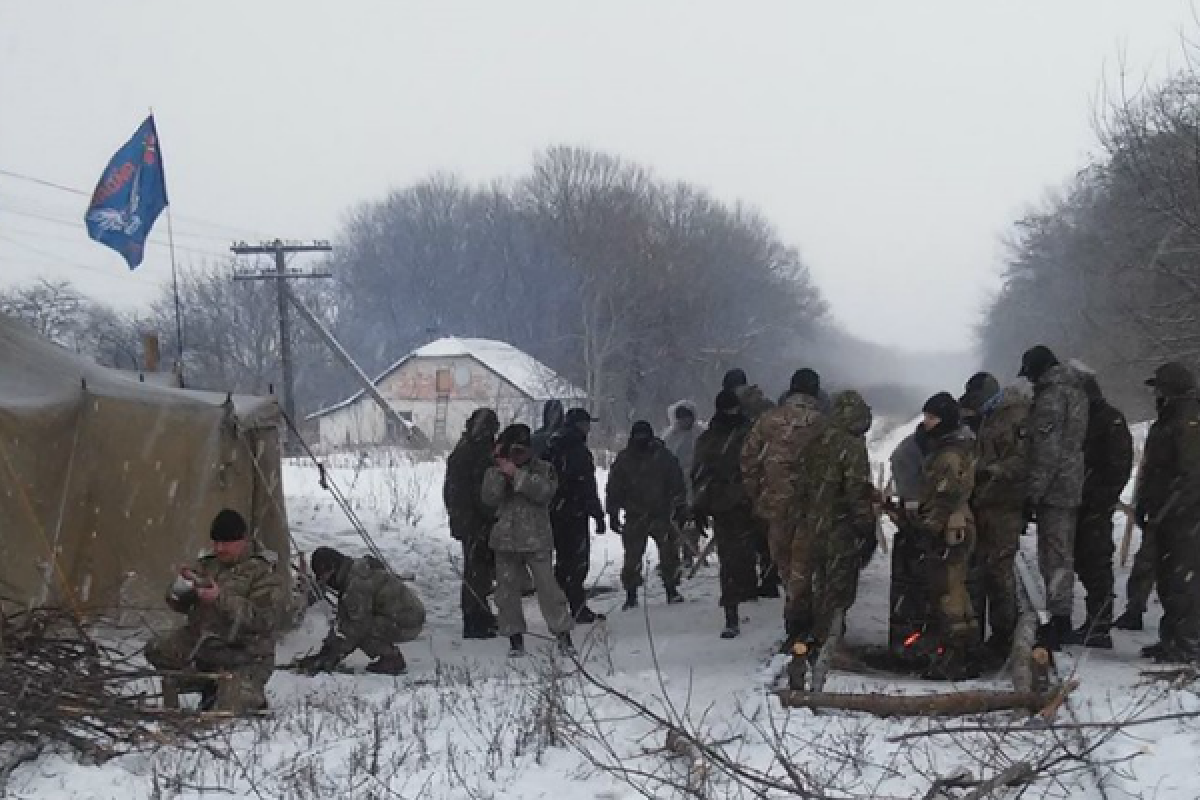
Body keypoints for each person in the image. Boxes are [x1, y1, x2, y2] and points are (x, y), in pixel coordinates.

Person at [146, 509, 284, 712]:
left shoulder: (263, 574)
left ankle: (246, 693)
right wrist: (182, 588)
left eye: (225, 543)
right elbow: (178, 604)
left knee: (228, 705)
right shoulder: (208, 565)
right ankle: (203, 687)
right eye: (216, 542)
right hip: (205, 647)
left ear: (243, 540)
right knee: (158, 649)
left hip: (244, 654)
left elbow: (263, 620)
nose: (219, 549)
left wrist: (221, 599)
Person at [741, 367, 825, 645]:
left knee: (785, 564)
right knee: (808, 564)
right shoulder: (824, 423)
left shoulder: (768, 420)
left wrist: (758, 496)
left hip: (776, 505)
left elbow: (749, 460)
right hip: (814, 507)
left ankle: (795, 621)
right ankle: (807, 620)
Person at [792, 390, 876, 648]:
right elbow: (856, 491)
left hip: (813, 525)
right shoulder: (851, 447)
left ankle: (811, 633)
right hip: (841, 527)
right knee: (839, 588)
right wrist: (865, 525)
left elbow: (800, 486)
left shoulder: (814, 442)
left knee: (819, 581)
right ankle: (828, 641)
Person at [483, 423, 575, 656]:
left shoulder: (544, 469)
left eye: (523, 450)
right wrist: (502, 472)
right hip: (505, 541)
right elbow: (489, 498)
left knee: (549, 591)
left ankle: (563, 635)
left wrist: (518, 475)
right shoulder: (495, 470)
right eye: (514, 450)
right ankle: (514, 639)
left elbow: (544, 493)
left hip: (536, 540)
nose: (519, 455)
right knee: (506, 594)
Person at [1020, 345, 1089, 650]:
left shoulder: (1051, 397)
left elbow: (1046, 452)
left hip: (1054, 487)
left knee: (1055, 557)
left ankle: (1059, 623)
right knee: (1061, 554)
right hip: (1070, 481)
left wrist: (1032, 493)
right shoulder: (1077, 391)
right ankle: (1060, 618)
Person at [960, 372, 1029, 658]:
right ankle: (975, 634)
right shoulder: (987, 418)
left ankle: (1004, 636)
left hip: (1004, 505)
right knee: (977, 570)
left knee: (999, 573)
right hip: (983, 503)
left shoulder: (1016, 417)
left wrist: (993, 471)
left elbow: (1024, 460)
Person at [912, 393, 980, 679]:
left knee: (948, 592)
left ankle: (954, 659)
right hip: (954, 524)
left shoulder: (949, 455)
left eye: (931, 418)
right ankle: (963, 653)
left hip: (950, 528)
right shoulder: (952, 448)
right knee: (956, 590)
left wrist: (929, 526)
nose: (926, 423)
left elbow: (947, 495)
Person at [1138, 362, 1200, 663]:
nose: (1156, 393)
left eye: (1160, 387)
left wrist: (1170, 508)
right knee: (1166, 577)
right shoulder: (1166, 420)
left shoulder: (1189, 420)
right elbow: (1153, 469)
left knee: (1183, 580)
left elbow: (1190, 473)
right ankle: (1171, 638)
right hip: (1165, 512)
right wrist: (1143, 504)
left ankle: (1189, 642)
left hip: (1186, 517)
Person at [1069, 374, 1133, 648]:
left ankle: (1100, 623)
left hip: (1095, 502)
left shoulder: (1109, 420)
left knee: (1096, 562)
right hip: (1082, 500)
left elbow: (1120, 464)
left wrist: (1103, 497)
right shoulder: (1085, 420)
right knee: (1084, 561)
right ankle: (1097, 621)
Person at [692, 389, 760, 638]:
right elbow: (699, 474)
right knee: (733, 560)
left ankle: (740, 600)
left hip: (739, 503)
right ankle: (732, 612)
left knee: (739, 559)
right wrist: (698, 505)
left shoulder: (715, 437)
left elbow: (698, 474)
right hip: (738, 503)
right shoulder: (745, 434)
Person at [301, 547, 426, 675]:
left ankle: (391, 658)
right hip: (403, 614)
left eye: (323, 576)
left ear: (332, 568)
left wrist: (332, 658)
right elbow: (343, 620)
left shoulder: (355, 585)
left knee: (362, 630)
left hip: (407, 621)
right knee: (356, 625)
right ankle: (390, 656)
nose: (325, 582)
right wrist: (326, 650)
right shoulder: (352, 572)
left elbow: (355, 628)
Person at [607, 420, 687, 610]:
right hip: (635, 515)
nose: (641, 439)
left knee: (669, 555)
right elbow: (614, 488)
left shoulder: (664, 458)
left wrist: (680, 506)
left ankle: (671, 589)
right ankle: (632, 594)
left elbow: (676, 483)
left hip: (661, 514)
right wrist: (612, 512)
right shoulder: (625, 459)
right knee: (632, 558)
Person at [722, 368, 782, 597]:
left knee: (750, 532)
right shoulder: (766, 405)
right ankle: (768, 577)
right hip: (769, 474)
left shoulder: (743, 409)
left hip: (747, 475)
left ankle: (754, 581)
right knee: (766, 530)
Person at [544, 407, 607, 623]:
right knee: (577, 562)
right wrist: (597, 514)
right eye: (587, 424)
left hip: (554, 510)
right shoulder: (577, 450)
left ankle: (559, 604)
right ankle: (577, 607)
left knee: (563, 561)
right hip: (574, 511)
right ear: (581, 425)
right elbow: (586, 485)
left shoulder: (551, 445)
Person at [443, 408, 501, 639]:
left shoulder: (465, 449)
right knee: (476, 573)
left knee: (479, 571)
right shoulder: (474, 453)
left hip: (469, 519)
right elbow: (479, 492)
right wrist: (488, 515)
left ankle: (480, 614)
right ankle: (474, 620)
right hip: (474, 520)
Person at [663, 401, 705, 568]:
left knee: (692, 519)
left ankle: (690, 553)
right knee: (675, 519)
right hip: (675, 483)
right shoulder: (669, 436)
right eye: (681, 419)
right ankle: (673, 554)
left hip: (696, 481)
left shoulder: (700, 434)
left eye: (687, 418)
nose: (684, 422)